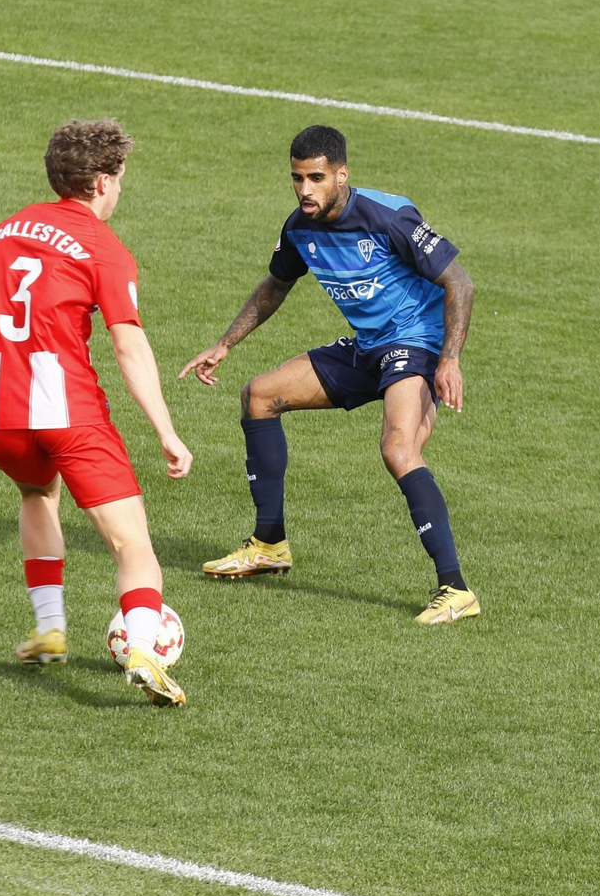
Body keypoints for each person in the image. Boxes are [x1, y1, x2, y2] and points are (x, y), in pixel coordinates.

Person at [178, 124, 478, 625]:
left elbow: (459, 283)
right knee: (259, 395)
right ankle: (270, 543)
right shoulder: (299, 227)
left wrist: (448, 358)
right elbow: (274, 286)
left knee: (398, 449)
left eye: (316, 178)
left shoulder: (388, 216)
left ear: (342, 175)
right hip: (367, 347)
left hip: (414, 345)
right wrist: (225, 344)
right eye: (297, 179)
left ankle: (456, 589)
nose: (304, 190)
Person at [0, 119, 192, 705]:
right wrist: (167, 430)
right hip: (67, 410)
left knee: (37, 495)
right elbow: (128, 346)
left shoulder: (2, 234)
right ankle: (141, 649)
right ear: (104, 181)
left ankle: (50, 629)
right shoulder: (104, 248)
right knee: (132, 544)